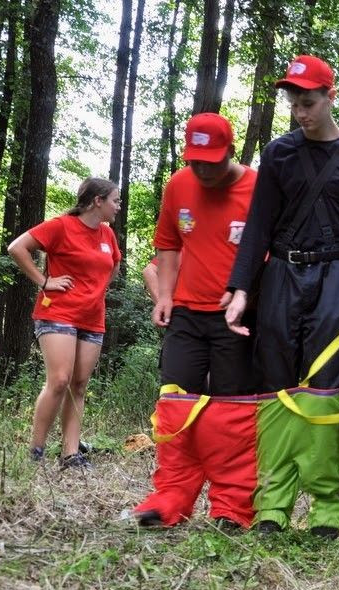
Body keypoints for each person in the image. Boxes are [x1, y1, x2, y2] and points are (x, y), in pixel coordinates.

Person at [224, 54, 339, 537]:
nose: (300, 113)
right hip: (281, 276)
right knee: (275, 388)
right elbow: (257, 227)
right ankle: (272, 507)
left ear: (331, 97)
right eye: (294, 103)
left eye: (309, 102)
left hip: (336, 275)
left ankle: (327, 510)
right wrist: (240, 289)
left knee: (322, 389)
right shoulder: (278, 154)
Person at [133, 112, 258, 529]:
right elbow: (167, 245)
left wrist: (248, 296)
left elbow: (271, 254)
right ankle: (170, 498)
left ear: (230, 152)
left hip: (236, 318)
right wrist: (165, 296)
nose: (202, 169)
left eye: (212, 161)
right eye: (195, 160)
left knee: (231, 413)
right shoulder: (179, 184)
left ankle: (232, 507)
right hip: (186, 313)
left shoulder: (257, 187)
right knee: (175, 405)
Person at [7, 177, 122, 469]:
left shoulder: (108, 236)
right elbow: (17, 248)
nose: (118, 207)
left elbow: (114, 266)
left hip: (92, 318)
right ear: (98, 201)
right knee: (59, 381)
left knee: (79, 384)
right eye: (115, 201)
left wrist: (97, 291)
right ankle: (36, 451)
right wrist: (44, 281)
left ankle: (70, 454)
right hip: (57, 312)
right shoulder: (61, 226)